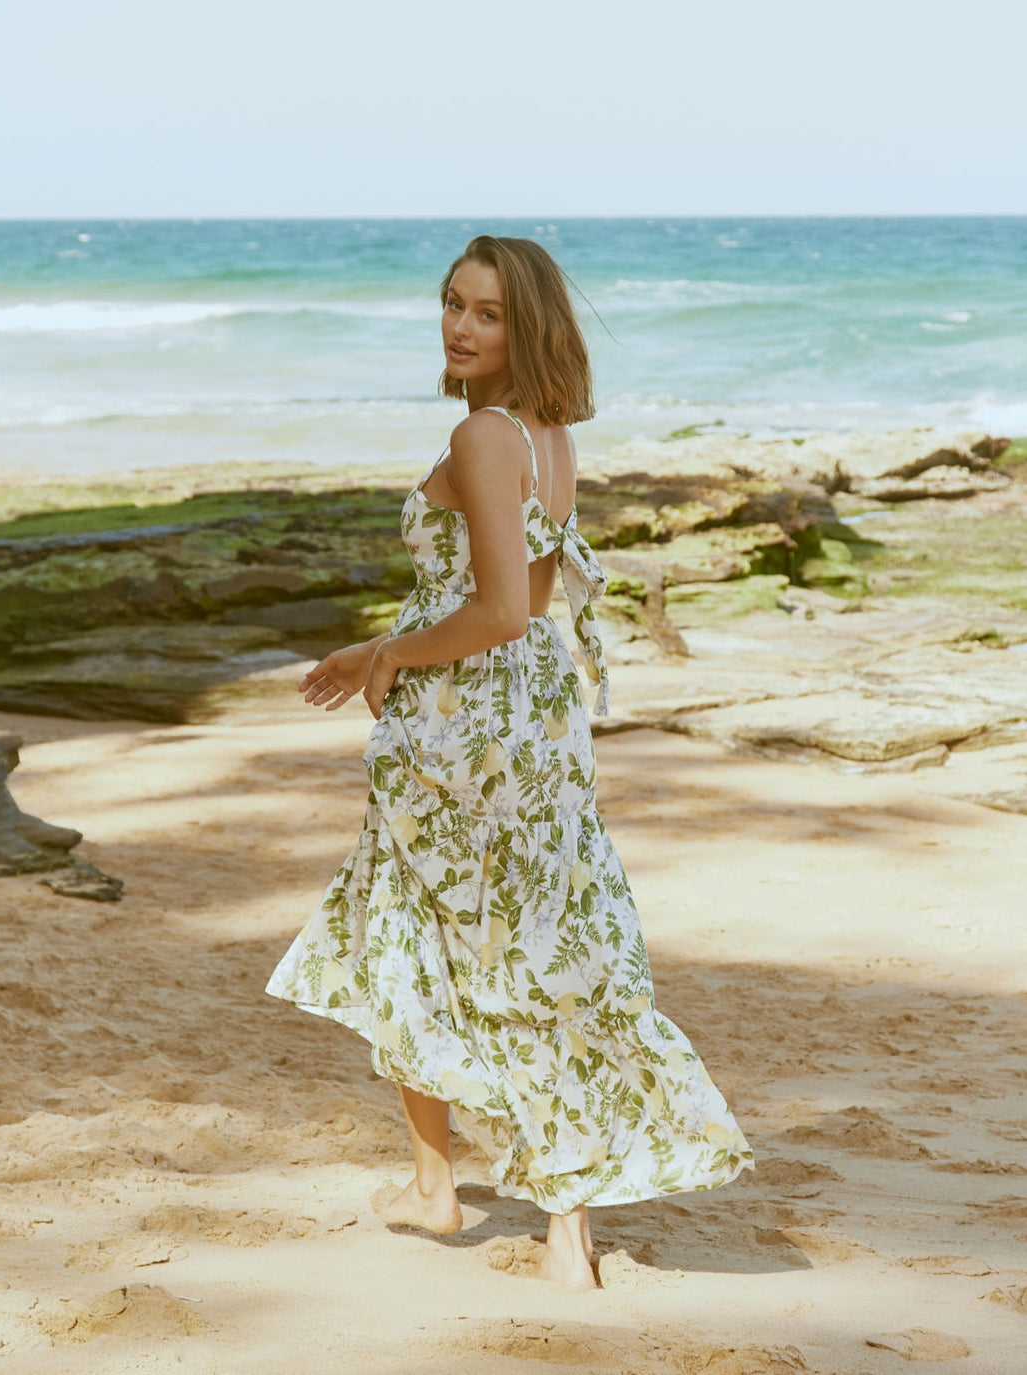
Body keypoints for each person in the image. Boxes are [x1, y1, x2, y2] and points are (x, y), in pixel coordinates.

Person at [266, 235, 752, 1291]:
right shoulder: (548, 437)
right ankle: (535, 1218)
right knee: (537, 945)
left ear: (524, 325)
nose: (458, 325)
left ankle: (454, 1188)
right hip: (533, 724)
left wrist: (392, 652)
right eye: (451, 303)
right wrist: (373, 648)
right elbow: (523, 607)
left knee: (411, 932)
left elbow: (489, 610)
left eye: (484, 312)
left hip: (459, 731)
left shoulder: (483, 433)